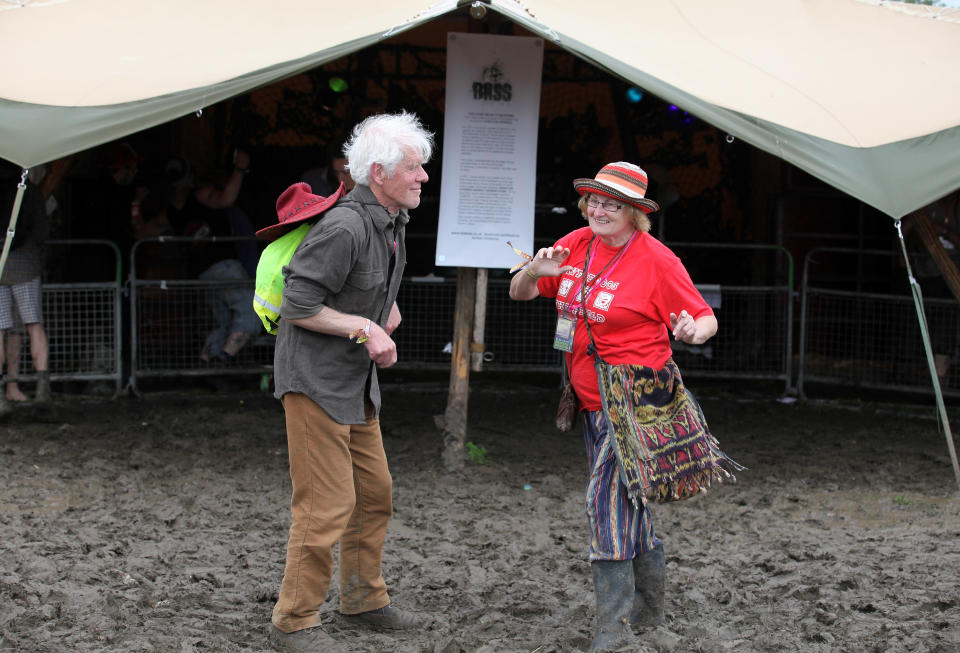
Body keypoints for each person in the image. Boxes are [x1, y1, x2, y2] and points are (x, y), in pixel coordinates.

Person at [510, 162, 736, 651]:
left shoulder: (656, 259)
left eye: (614, 203)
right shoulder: (573, 244)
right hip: (590, 401)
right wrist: (533, 270)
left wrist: (693, 332)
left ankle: (612, 629)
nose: (601, 209)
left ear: (636, 214)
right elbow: (521, 292)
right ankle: (650, 613)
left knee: (603, 502)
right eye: (595, 200)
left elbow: (704, 316)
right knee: (630, 498)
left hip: (639, 401)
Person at [268, 111, 433, 652]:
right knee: (325, 505)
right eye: (414, 167)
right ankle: (293, 622)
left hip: (353, 385)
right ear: (380, 172)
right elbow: (297, 304)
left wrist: (382, 308)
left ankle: (363, 599)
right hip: (315, 382)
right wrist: (363, 325)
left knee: (373, 494)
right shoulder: (345, 225)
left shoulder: (389, 222)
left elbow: (355, 285)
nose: (423, 177)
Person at [0, 176, 51, 412]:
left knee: (1, 328)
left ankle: (4, 391)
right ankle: (42, 388)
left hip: (0, 261)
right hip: (25, 262)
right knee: (33, 324)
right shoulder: (28, 188)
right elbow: (41, 229)